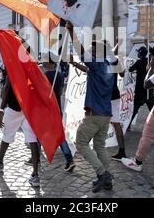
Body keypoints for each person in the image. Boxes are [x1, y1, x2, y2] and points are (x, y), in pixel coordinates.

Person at [66, 21, 114, 193]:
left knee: (81, 142)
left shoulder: (98, 64)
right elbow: (88, 70)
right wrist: (74, 64)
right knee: (100, 147)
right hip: (106, 114)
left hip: (94, 114)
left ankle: (102, 174)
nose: (90, 53)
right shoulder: (107, 67)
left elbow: (81, 52)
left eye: (93, 51)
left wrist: (71, 31)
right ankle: (107, 179)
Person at [121, 48, 154, 171]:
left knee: (147, 134)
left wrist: (151, 67)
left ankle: (137, 161)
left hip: (147, 96)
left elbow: (146, 83)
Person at [0, 73, 41, 187]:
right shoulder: (32, 69)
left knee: (7, 135)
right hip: (28, 109)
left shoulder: (13, 69)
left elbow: (7, 89)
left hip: (14, 108)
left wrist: (1, 111)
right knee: (33, 140)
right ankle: (35, 175)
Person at [40, 53, 76, 172]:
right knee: (59, 136)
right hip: (57, 109)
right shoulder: (60, 75)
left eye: (44, 60)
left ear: (48, 62)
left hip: (46, 110)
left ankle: (35, 157)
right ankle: (69, 159)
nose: (43, 62)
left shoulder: (44, 75)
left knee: (38, 133)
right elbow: (60, 91)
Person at [128, 46, 154, 131]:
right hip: (149, 90)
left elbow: (130, 69)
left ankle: (128, 126)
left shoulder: (139, 62)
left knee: (135, 109)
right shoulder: (149, 62)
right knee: (152, 110)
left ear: (140, 54)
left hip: (140, 91)